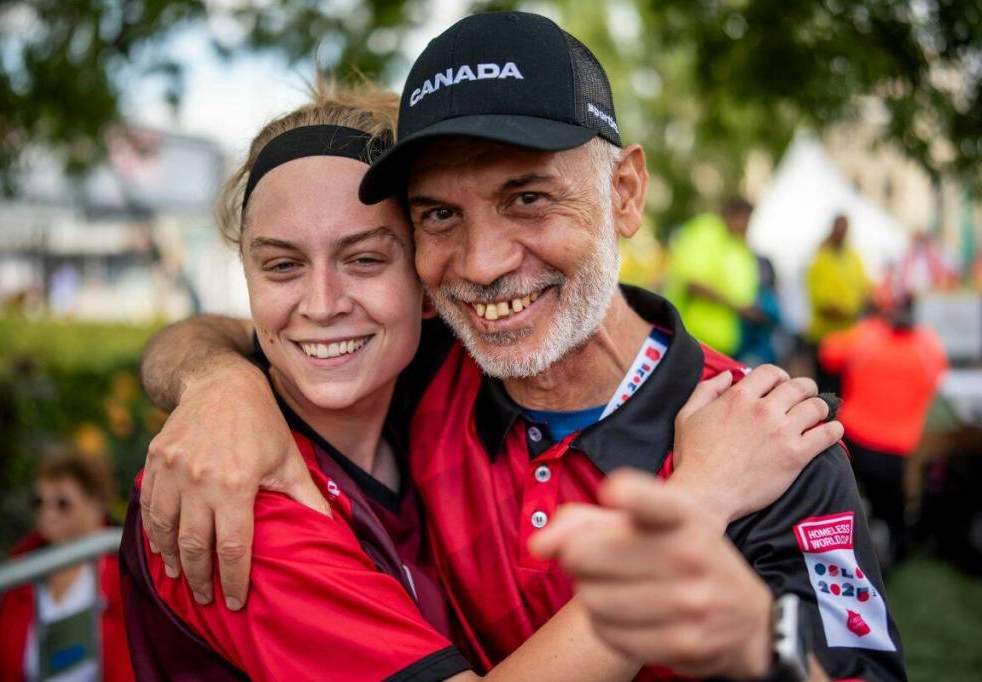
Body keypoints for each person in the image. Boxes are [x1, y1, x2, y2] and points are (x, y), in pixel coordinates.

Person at [138, 12, 904, 681]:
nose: (480, 263)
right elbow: (246, 337)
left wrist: (760, 646)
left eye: (528, 198)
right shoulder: (421, 371)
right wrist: (216, 383)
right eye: (439, 216)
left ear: (625, 193)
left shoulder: (768, 438)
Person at [0, 449, 132, 682]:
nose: (47, 512)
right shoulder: (21, 576)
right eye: (39, 501)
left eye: (62, 503)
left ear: (95, 505)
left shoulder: (125, 575)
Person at [818, 297, 949, 568]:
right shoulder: (928, 346)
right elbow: (938, 376)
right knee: (893, 508)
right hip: (898, 448)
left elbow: (828, 352)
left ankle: (872, 546)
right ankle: (895, 548)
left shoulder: (867, 336)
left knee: (855, 502)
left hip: (856, 440)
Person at [663, 198, 759, 357]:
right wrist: (736, 306)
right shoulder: (706, 231)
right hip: (692, 338)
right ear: (730, 214)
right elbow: (692, 283)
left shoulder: (738, 245)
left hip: (724, 345)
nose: (746, 226)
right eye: (744, 219)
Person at [805, 214, 870, 393]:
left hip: (848, 339)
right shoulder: (820, 258)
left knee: (844, 391)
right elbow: (820, 302)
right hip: (824, 336)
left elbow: (863, 290)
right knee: (825, 391)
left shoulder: (854, 258)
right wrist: (848, 312)